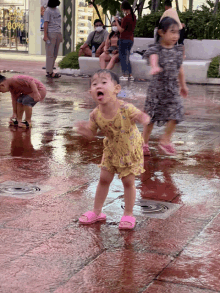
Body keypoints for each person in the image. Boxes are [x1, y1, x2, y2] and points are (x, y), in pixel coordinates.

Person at [76, 69, 150, 229]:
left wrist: (143, 117)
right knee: (104, 179)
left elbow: (139, 115)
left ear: (116, 89)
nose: (98, 86)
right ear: (91, 92)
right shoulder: (95, 114)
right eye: (94, 84)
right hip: (111, 149)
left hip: (129, 147)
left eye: (103, 82)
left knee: (128, 181)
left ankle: (128, 214)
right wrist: (85, 131)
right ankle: (97, 211)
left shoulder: (125, 108)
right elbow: (91, 133)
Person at [142, 17, 188, 156]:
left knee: (177, 113)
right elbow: (153, 58)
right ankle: (144, 142)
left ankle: (165, 140)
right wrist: (155, 67)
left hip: (172, 88)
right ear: (161, 32)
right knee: (151, 118)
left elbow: (180, 69)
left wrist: (183, 86)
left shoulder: (178, 51)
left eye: (177, 32)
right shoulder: (156, 48)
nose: (176, 36)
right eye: (172, 32)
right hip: (157, 90)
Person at [114, 1, 136, 81]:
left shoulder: (126, 18)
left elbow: (121, 30)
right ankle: (130, 75)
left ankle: (124, 75)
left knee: (123, 57)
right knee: (127, 57)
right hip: (130, 40)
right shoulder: (134, 16)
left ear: (124, 9)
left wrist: (116, 21)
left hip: (124, 39)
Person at [43, 0, 62, 78]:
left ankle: (51, 69)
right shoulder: (47, 11)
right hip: (51, 33)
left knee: (55, 54)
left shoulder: (57, 10)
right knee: (50, 54)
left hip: (58, 32)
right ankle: (49, 72)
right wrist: (45, 35)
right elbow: (45, 23)